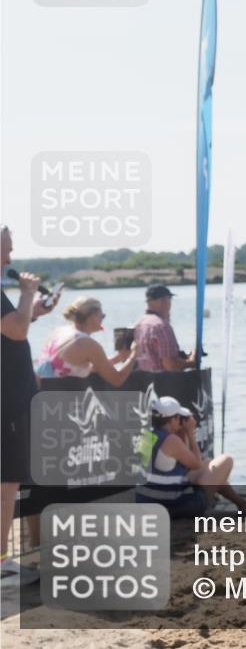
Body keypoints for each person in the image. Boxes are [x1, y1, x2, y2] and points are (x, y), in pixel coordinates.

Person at [1, 225, 60, 585]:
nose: (10, 256)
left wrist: (32, 310)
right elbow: (16, 331)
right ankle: (1, 562)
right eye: (6, 248)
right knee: (7, 483)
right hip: (7, 402)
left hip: (11, 398)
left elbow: (13, 328)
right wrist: (26, 293)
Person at [136, 396, 246, 516]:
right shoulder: (171, 440)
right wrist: (190, 433)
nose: (180, 421)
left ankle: (242, 504)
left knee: (209, 464)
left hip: (147, 500)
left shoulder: (146, 434)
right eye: (179, 418)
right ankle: (241, 504)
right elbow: (197, 464)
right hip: (174, 506)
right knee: (226, 460)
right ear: (172, 420)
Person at [36, 297, 138, 385]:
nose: (103, 319)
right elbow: (117, 379)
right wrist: (134, 355)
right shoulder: (87, 344)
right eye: (102, 315)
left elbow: (72, 366)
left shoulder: (59, 331)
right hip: (59, 397)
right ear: (92, 316)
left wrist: (118, 358)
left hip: (41, 393)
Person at [133, 285, 197, 373]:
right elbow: (170, 365)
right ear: (162, 301)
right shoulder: (161, 326)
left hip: (144, 379)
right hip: (163, 380)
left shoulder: (138, 324)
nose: (170, 304)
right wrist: (192, 361)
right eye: (169, 299)